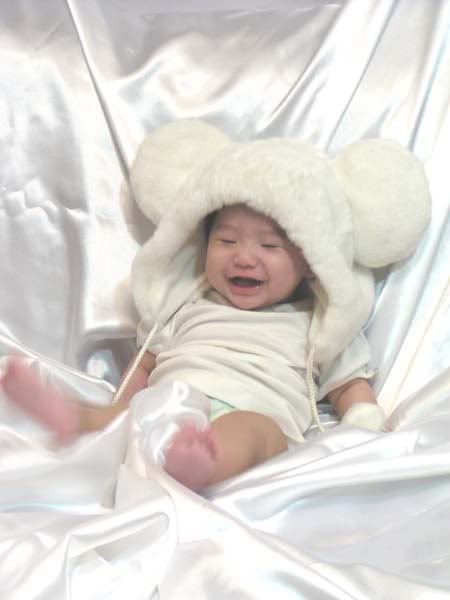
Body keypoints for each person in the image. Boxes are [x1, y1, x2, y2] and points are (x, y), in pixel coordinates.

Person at [0, 120, 431, 492]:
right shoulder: (188, 302)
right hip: (173, 403)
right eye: (226, 240)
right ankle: (73, 418)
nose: (244, 257)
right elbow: (146, 362)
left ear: (310, 262)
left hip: (258, 415)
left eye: (269, 246)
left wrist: (365, 419)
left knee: (254, 432)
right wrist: (123, 403)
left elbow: (348, 384)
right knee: (123, 417)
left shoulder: (315, 323)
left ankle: (205, 464)